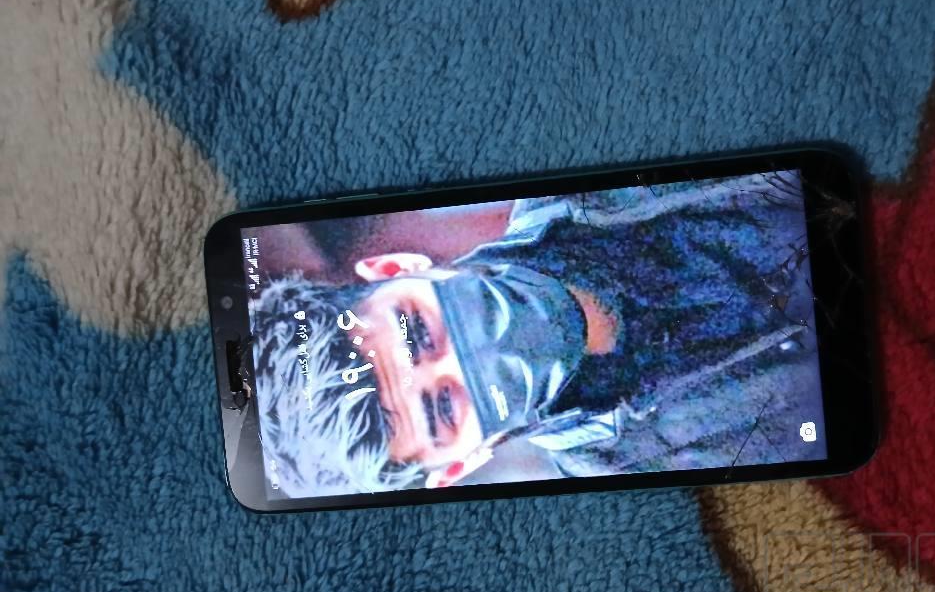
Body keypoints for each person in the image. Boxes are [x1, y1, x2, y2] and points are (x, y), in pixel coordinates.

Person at [252, 171, 823, 497]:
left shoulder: (593, 172)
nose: (474, 354)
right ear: (458, 467)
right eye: (443, 407)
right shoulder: (651, 475)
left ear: (396, 267)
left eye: (416, 329)